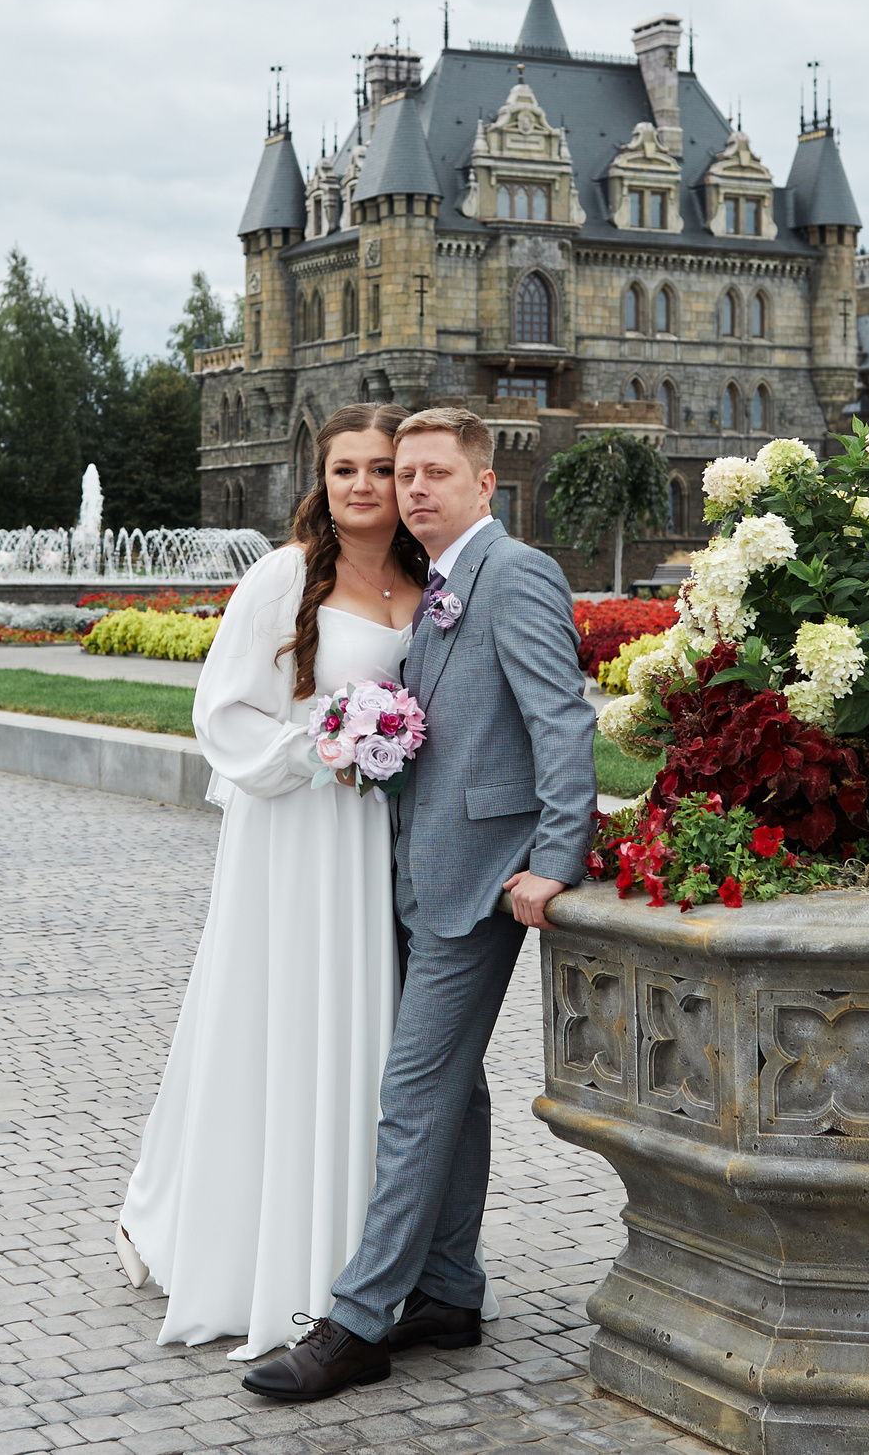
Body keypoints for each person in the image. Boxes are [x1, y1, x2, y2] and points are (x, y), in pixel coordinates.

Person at [242, 405, 596, 1402]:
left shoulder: (513, 571)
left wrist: (553, 863)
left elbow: (561, 721)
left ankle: (358, 1320)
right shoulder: (439, 583)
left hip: (484, 880)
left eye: (435, 473)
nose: (414, 490)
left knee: (410, 1092)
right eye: (406, 476)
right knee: (455, 1090)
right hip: (418, 868)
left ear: (484, 484)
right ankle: (447, 1287)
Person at [116, 404, 433, 1360]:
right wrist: (322, 747)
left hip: (382, 836)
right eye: (347, 470)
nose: (367, 486)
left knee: (370, 1032)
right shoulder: (284, 577)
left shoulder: (430, 582)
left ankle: (368, 1250)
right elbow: (223, 712)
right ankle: (262, 1244)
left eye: (382, 468)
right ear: (322, 478)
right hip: (299, 830)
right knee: (285, 1017)